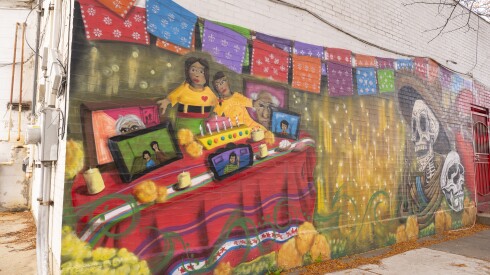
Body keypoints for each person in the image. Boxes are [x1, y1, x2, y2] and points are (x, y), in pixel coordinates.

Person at [157, 57, 218, 135]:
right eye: (193, 70)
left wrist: (214, 114)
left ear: (206, 74)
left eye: (201, 71)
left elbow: (218, 105)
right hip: (183, 125)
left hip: (200, 126)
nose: (196, 75)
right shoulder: (184, 88)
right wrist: (166, 102)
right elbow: (172, 97)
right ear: (188, 72)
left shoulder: (208, 92)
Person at [212, 71, 275, 144]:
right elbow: (214, 120)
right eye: (217, 85)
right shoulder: (220, 103)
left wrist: (260, 103)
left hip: (251, 126)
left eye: (222, 82)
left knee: (266, 134)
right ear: (216, 89)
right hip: (237, 132)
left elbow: (250, 102)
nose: (221, 86)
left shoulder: (237, 96)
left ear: (227, 82)